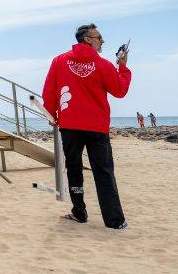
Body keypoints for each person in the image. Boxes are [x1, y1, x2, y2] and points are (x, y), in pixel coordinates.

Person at [42, 23, 132, 229]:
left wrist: (52, 114)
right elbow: (120, 90)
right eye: (99, 37)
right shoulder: (103, 65)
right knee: (103, 172)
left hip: (70, 125)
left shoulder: (59, 61)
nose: (102, 41)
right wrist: (123, 67)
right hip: (96, 127)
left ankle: (79, 212)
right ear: (87, 39)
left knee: (74, 169)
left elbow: (49, 91)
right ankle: (115, 221)